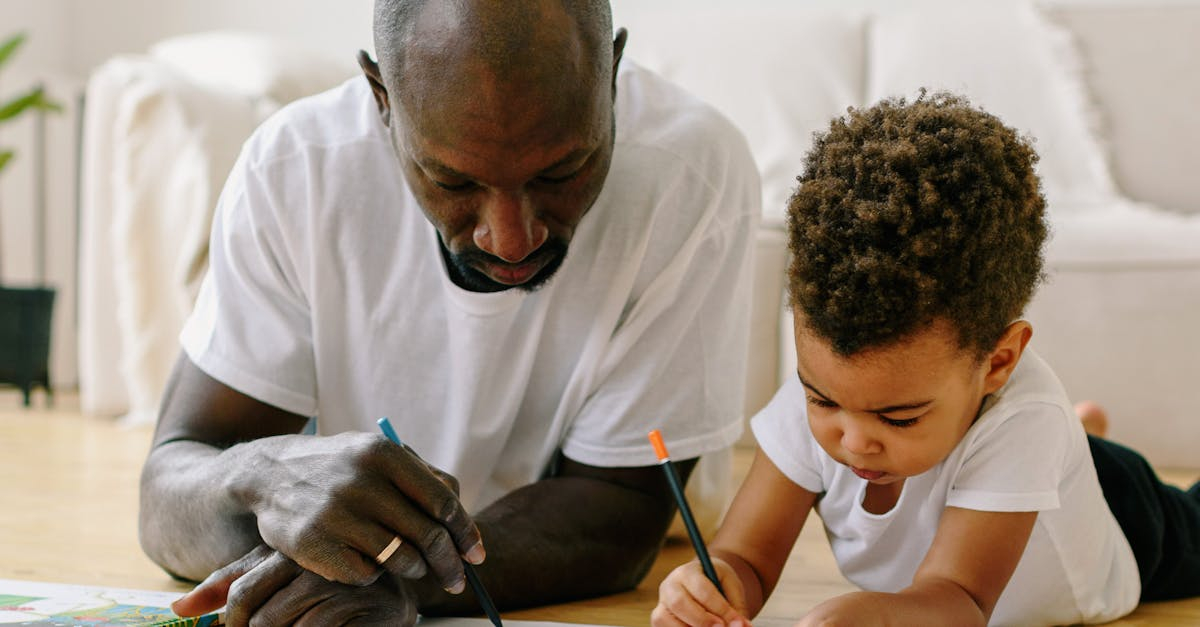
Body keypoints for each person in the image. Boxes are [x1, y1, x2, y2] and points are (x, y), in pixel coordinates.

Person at [138, 0, 760, 624]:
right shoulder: (294, 169)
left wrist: (394, 579)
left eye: (562, 171)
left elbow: (620, 509)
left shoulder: (693, 172)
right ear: (382, 96)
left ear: (612, 73)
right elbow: (169, 495)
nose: (511, 240)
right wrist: (263, 475)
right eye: (455, 182)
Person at [652, 92, 1200, 626]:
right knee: (1041, 442)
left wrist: (872, 617)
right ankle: (1080, 440)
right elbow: (746, 556)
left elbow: (958, 598)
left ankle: (1079, 448)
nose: (854, 439)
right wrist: (713, 584)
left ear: (999, 363)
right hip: (1027, 456)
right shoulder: (829, 392)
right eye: (822, 399)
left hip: (1127, 521)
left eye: (899, 417)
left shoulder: (1024, 421)